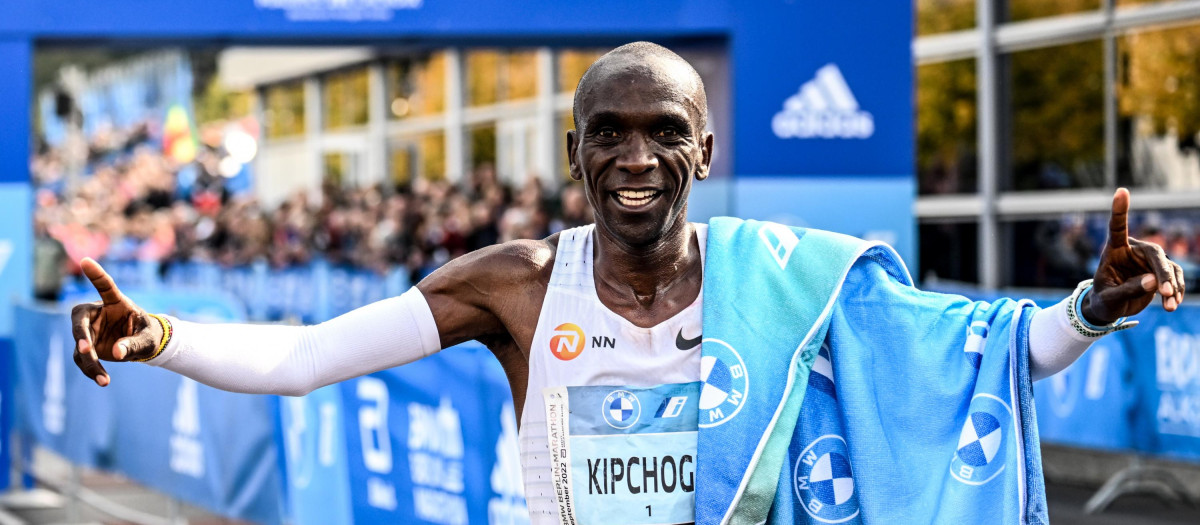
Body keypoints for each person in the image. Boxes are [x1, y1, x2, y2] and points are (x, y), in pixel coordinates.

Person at [71, 42, 1185, 524]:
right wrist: (158, 332)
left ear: (703, 153)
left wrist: (1091, 311)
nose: (635, 158)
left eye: (663, 134)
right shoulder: (512, 285)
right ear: (576, 157)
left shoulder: (791, 282)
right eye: (609, 134)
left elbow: (980, 356)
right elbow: (300, 360)